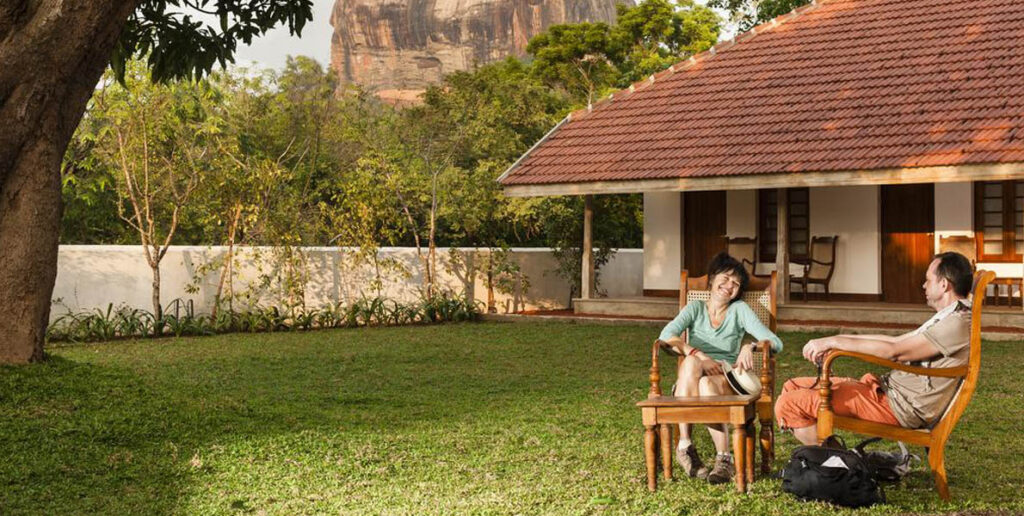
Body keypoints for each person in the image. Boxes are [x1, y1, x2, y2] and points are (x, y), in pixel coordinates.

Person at [774, 252, 975, 446]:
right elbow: (895, 341)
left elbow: (894, 351)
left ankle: (839, 466)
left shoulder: (955, 323)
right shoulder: (949, 316)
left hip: (897, 406)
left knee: (788, 404)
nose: (923, 285)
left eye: (928, 280)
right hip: (888, 391)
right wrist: (836, 339)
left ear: (943, 284)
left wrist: (834, 341)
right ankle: (839, 460)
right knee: (792, 386)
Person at [658, 252, 784, 484]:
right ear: (712, 279)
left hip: (724, 378)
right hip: (692, 377)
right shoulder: (694, 308)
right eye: (725, 279)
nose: (729, 286)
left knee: (706, 382)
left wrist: (751, 345)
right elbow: (666, 336)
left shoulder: (740, 310)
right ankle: (688, 446)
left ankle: (720, 459)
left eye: (736, 284)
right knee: (692, 363)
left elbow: (776, 343)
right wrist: (697, 353)